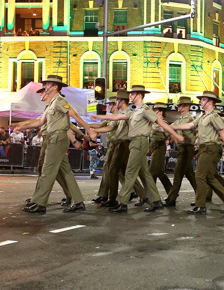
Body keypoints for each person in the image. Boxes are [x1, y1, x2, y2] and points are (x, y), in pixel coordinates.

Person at [91, 85, 182, 213]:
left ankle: (123, 202)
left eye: (132, 94)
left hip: (139, 142)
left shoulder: (145, 109)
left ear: (139, 95)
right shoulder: (135, 111)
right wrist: (99, 117)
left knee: (130, 172)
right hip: (135, 143)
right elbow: (117, 117)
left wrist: (176, 134)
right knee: (145, 173)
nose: (130, 96)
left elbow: (160, 122)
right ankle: (156, 201)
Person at [17, 75, 97, 214]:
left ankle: (39, 203)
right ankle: (78, 201)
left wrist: (88, 130)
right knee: (66, 172)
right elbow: (39, 122)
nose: (45, 87)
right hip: (55, 138)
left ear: (55, 86)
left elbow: (74, 116)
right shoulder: (52, 104)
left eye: (47, 84)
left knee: (47, 171)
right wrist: (20, 126)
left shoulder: (60, 101)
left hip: (57, 138)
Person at [169, 91, 224, 214]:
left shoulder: (214, 116)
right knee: (209, 176)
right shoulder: (202, 116)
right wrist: (172, 127)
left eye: (203, 99)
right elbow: (189, 125)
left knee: (199, 175)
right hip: (204, 148)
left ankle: (201, 205)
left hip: (211, 148)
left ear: (210, 102)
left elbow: (223, 133)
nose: (201, 102)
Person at [164, 96, 198, 207]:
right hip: (182, 148)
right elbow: (170, 130)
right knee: (189, 174)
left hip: (188, 147)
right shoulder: (179, 120)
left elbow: (199, 132)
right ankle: (202, 195)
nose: (178, 107)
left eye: (180, 105)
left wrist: (197, 144)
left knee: (178, 173)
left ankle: (172, 198)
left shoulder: (191, 119)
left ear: (187, 106)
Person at [148, 102, 173, 194]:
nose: (154, 111)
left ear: (160, 112)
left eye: (155, 110)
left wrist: (154, 129)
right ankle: (171, 192)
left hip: (159, 145)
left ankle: (150, 195)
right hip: (154, 146)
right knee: (160, 172)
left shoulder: (163, 122)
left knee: (152, 172)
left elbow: (166, 131)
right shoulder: (154, 122)